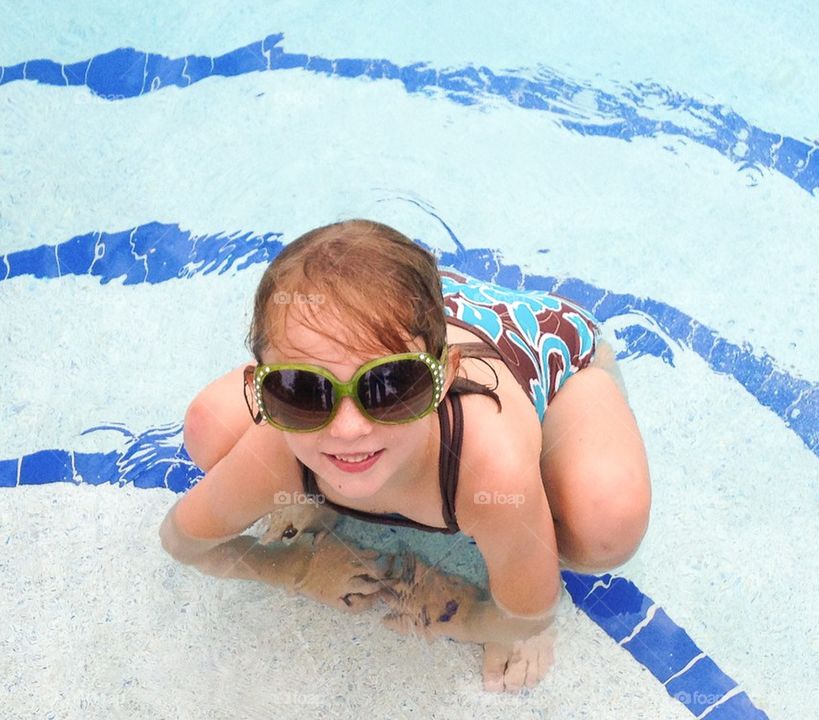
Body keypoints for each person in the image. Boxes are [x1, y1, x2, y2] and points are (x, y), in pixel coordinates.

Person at [158, 219, 651, 693]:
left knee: (606, 525)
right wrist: (295, 569)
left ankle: (596, 369)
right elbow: (182, 540)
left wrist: (462, 612)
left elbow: (527, 613)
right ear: (259, 389)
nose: (348, 429)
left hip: (542, 341)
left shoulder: (485, 467)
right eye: (301, 389)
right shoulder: (278, 444)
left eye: (392, 386)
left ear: (443, 376)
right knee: (208, 429)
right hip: (400, 325)